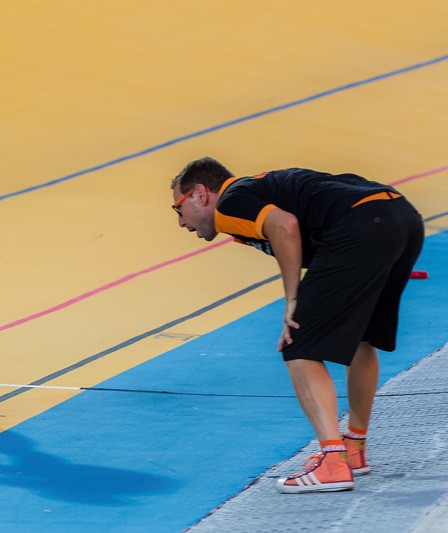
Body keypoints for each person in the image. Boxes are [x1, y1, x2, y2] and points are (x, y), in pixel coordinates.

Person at [170, 157, 424, 493]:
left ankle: (332, 462)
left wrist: (293, 300)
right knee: (363, 339)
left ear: (200, 194)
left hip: (363, 224)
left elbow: (285, 225)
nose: (181, 223)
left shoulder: (231, 204)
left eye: (178, 208)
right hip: (401, 217)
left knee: (297, 343)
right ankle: (353, 450)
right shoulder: (255, 193)